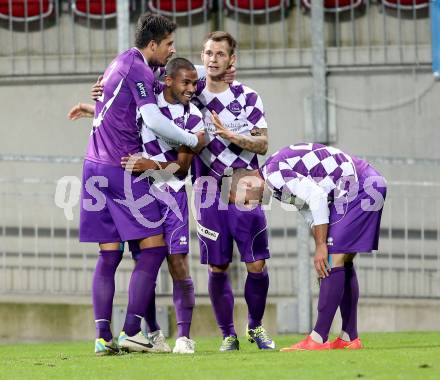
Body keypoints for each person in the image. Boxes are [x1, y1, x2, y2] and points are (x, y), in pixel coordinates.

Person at [79, 13, 204, 356]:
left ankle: (103, 338)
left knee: (109, 255)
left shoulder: (120, 63)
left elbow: (117, 107)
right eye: (168, 44)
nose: (172, 49)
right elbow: (149, 118)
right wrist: (191, 139)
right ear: (153, 45)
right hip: (122, 168)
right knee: (152, 248)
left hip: (92, 168)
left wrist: (93, 104)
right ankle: (132, 330)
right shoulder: (139, 69)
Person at [226, 142, 387, 351]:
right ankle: (349, 337)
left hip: (360, 187)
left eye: (242, 201)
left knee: (332, 260)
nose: (247, 207)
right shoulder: (274, 176)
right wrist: (320, 246)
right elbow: (311, 213)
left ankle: (318, 339)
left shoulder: (274, 176)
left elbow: (317, 197)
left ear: (245, 186)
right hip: (362, 184)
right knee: (341, 262)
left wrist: (321, 246)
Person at [189, 31, 274, 351]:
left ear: (232, 59)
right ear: (202, 57)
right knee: (217, 265)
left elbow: (263, 144)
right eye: (208, 53)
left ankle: (255, 327)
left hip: (245, 182)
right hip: (207, 186)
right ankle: (228, 334)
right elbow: (161, 76)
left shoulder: (248, 97)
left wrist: (230, 135)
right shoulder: (192, 96)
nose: (213, 59)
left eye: (220, 54)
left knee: (256, 263)